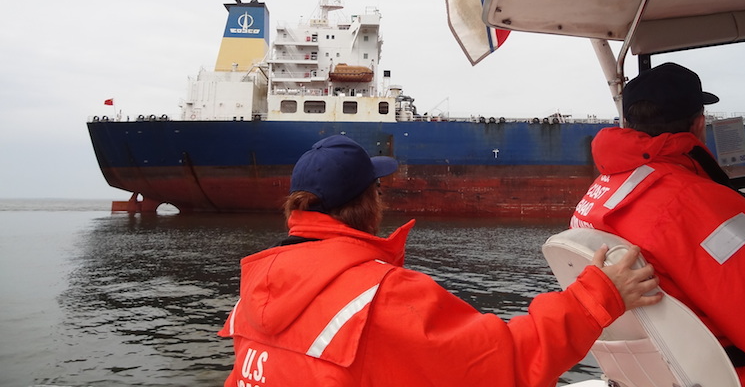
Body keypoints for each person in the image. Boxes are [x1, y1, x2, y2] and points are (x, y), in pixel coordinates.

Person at [219, 134, 661, 387]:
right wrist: (599, 295)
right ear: (370, 201)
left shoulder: (253, 291)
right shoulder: (379, 293)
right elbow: (505, 362)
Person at [570, 62, 745, 387]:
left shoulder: (599, 196)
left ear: (629, 124)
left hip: (666, 374)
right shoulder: (695, 206)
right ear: (699, 124)